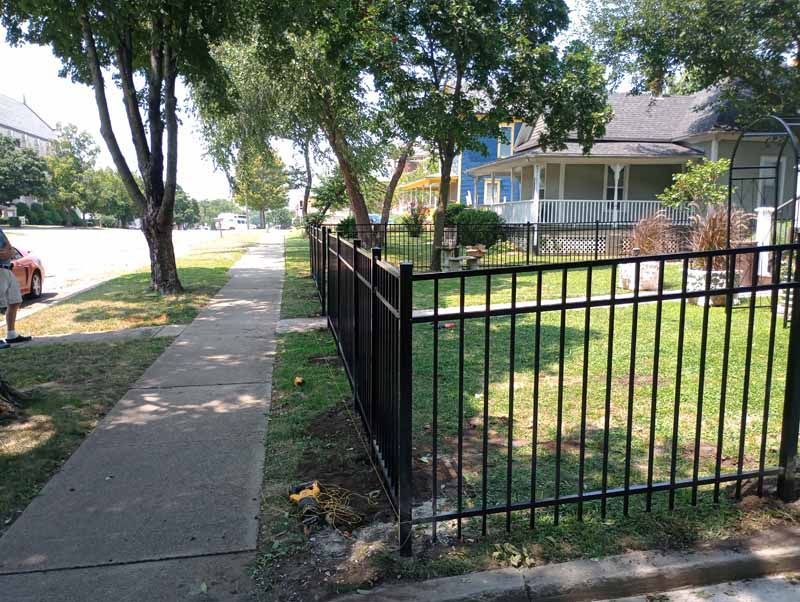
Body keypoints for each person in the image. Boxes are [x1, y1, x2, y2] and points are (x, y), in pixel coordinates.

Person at [0, 227, 32, 348]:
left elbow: (9, 248)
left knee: (15, 300)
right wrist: (7, 251)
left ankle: (11, 335)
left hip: (7, 268)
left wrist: (9, 251)